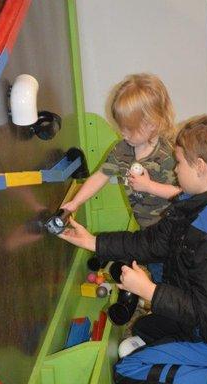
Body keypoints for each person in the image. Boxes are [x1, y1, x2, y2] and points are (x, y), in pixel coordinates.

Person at [59, 114, 207, 384]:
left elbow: (205, 311)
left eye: (179, 162)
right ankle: (196, 359)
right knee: (146, 327)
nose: (174, 170)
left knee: (128, 370)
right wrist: (92, 241)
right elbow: (153, 243)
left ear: (200, 167)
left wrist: (147, 289)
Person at [63, 73, 181, 282]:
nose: (123, 133)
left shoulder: (168, 155)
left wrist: (149, 186)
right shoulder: (122, 150)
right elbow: (100, 176)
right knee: (156, 273)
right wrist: (76, 202)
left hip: (169, 235)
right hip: (146, 233)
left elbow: (182, 194)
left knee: (168, 278)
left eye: (129, 128)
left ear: (152, 123)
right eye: (121, 126)